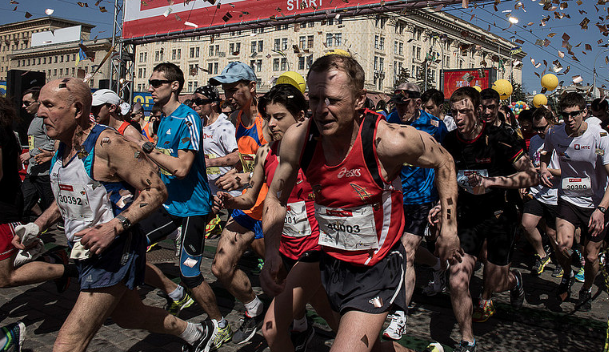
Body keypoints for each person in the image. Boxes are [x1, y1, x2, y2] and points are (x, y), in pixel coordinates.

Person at [262, 54, 460, 352]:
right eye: (314, 99)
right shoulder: (299, 139)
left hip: (375, 265)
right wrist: (271, 251)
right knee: (272, 332)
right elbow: (275, 198)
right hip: (328, 253)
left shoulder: (389, 141)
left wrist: (449, 227)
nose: (320, 110)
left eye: (331, 100)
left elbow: (444, 159)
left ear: (359, 101)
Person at [12, 77, 215, 352]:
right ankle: (196, 332)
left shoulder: (108, 143)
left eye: (49, 105)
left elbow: (156, 191)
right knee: (130, 316)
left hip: (113, 251)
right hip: (84, 248)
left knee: (68, 342)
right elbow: (69, 198)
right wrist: (37, 226)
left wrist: (112, 228)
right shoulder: (63, 145)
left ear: (77, 109)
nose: (39, 112)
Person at [215, 83, 339, 351]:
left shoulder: (318, 150)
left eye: (279, 117)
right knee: (332, 317)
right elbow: (250, 198)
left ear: (301, 117)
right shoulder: (265, 153)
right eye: (268, 117)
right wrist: (230, 200)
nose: (271, 124)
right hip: (284, 247)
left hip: (315, 248)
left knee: (271, 330)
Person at [133, 63, 232, 349]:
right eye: (150, 82)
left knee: (190, 272)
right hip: (169, 203)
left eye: (156, 82)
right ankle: (176, 293)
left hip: (192, 207)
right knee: (133, 244)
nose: (150, 87)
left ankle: (219, 324)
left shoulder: (188, 117)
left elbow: (182, 168)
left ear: (174, 85)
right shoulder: (163, 119)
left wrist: (146, 146)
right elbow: (161, 162)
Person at [439, 87, 536, 351]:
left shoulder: (501, 137)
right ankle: (467, 339)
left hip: (500, 216)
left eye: (464, 111)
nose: (458, 117)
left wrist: (491, 181)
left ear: (478, 110)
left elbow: (531, 175)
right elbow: (447, 179)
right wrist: (440, 204)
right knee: (457, 280)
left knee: (495, 283)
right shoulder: (449, 141)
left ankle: (515, 281)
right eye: (454, 111)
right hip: (468, 217)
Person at [210, 62, 271, 344]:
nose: (228, 94)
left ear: (252, 87)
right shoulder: (237, 119)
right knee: (220, 268)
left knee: (277, 279)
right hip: (247, 207)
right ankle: (253, 307)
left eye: (234, 89)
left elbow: (273, 163)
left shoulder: (267, 119)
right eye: (225, 89)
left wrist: (244, 178)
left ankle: (297, 324)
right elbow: (244, 156)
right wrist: (228, 174)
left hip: (272, 210)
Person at [383, 83, 448, 340]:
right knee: (398, 248)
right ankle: (437, 264)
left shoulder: (435, 126)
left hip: (422, 198)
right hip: (396, 196)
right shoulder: (389, 120)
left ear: (417, 101)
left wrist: (440, 201)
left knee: (407, 253)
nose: (401, 108)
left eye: (405, 102)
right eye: (397, 103)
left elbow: (446, 163)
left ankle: (400, 315)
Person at [540, 92, 609, 312]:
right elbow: (545, 151)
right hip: (569, 197)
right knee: (563, 245)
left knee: (590, 256)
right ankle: (568, 273)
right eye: (565, 114)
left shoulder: (600, 138)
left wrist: (601, 209)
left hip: (596, 202)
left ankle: (586, 289)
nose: (569, 119)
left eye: (575, 114)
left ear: (584, 113)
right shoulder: (555, 133)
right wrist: (543, 167)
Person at [193, 85, 240, 235]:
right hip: (209, 187)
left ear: (213, 103)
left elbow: (237, 155)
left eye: (199, 101)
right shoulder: (199, 124)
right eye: (193, 100)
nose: (194, 104)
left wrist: (210, 162)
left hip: (230, 188)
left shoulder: (225, 126)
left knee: (238, 231)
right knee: (198, 225)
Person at [522, 107, 560, 276]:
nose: (538, 132)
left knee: (553, 233)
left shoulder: (561, 139)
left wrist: (548, 170)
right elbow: (531, 162)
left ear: (551, 122)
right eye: (535, 128)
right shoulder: (536, 140)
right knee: (527, 224)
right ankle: (542, 254)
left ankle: (561, 261)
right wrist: (527, 180)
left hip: (556, 193)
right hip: (537, 191)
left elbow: (570, 170)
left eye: (542, 128)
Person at [19, 87, 56, 222]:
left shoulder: (45, 120)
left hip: (45, 174)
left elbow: (54, 142)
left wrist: (31, 153)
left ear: (38, 102)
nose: (23, 106)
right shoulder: (35, 120)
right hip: (33, 172)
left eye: (27, 103)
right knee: (22, 203)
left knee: (52, 209)